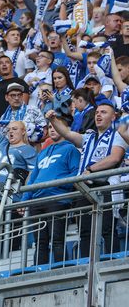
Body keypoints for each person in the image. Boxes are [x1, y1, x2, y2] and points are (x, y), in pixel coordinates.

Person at [46, 101, 127, 257]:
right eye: (97, 112)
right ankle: (85, 265)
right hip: (85, 189)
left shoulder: (118, 134)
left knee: (107, 229)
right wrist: (53, 120)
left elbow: (114, 158)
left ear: (113, 117)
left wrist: (90, 170)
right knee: (85, 231)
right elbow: (68, 134)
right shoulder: (88, 137)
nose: (98, 115)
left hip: (106, 187)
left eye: (103, 112)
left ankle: (110, 263)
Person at [20, 121, 81, 265]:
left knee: (57, 239)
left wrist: (60, 186)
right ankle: (37, 274)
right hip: (37, 201)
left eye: (56, 126)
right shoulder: (42, 153)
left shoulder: (71, 149)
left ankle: (61, 271)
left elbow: (75, 173)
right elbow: (32, 180)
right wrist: (24, 200)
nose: (52, 129)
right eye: (50, 127)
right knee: (40, 242)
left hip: (57, 199)